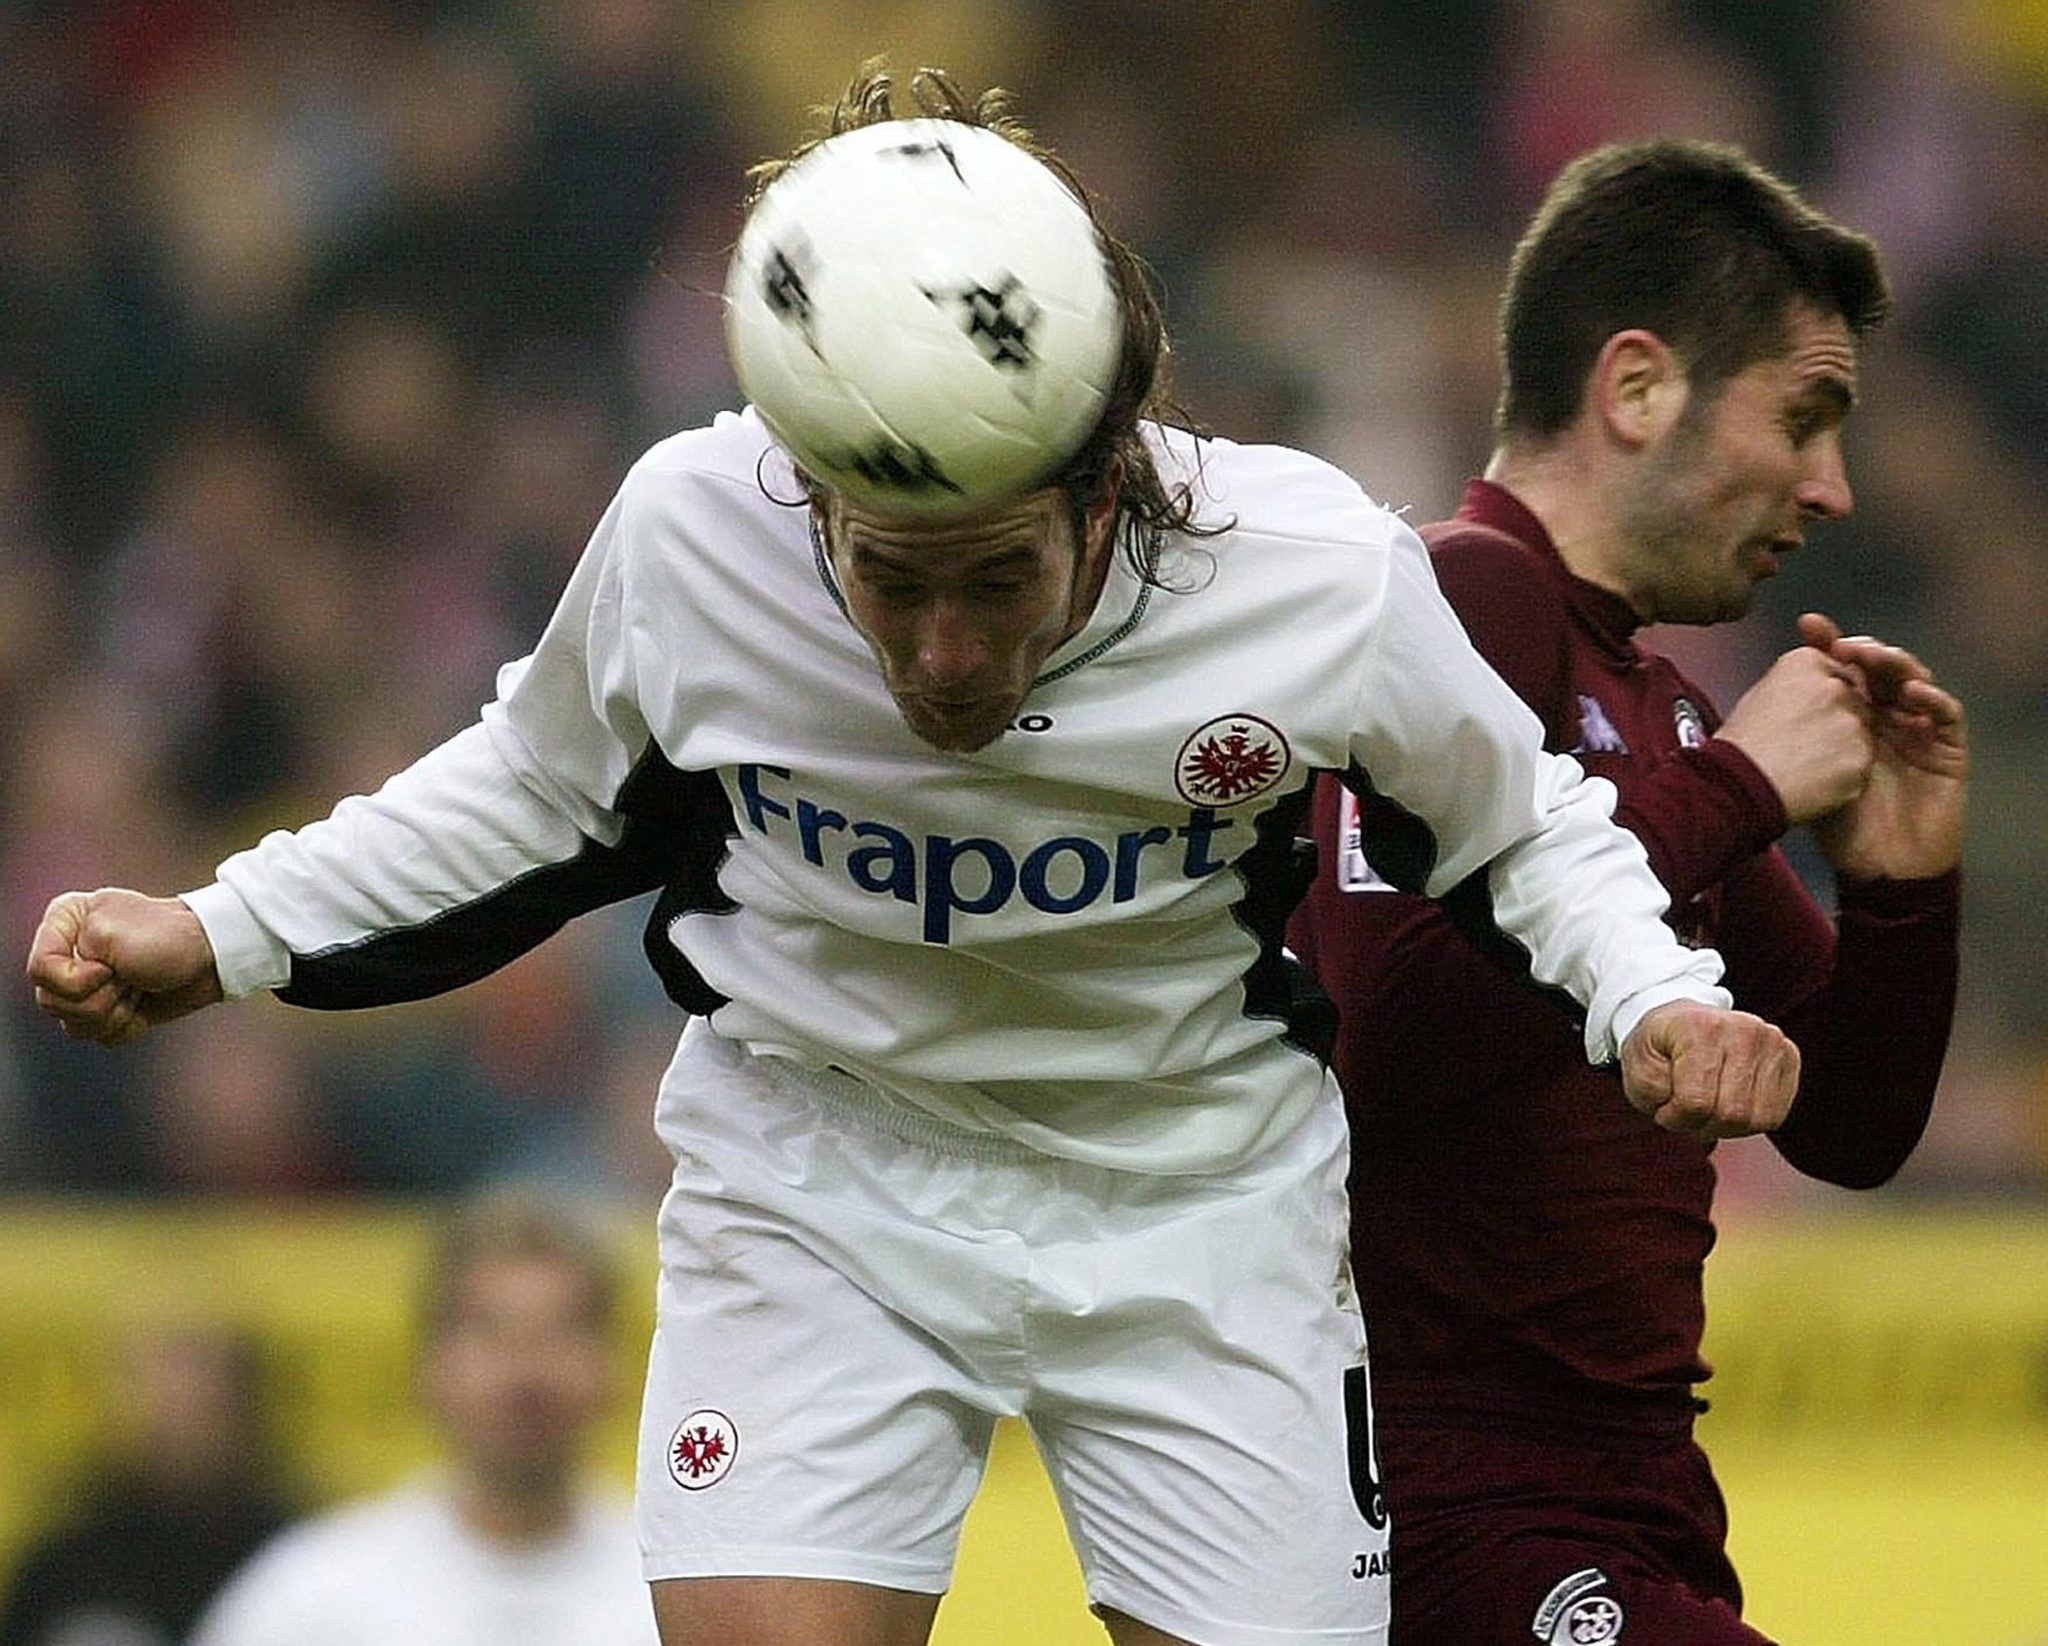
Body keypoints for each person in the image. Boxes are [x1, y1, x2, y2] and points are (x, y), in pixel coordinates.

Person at [28, 69, 1801, 1646]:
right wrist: (220, 926)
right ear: (810, 494)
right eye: (890, 580)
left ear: (1107, 489)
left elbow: (1518, 820)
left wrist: (1649, 992)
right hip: (820, 1178)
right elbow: (526, 791)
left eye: (995, 581)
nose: (942, 660)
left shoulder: (1304, 572)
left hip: (1191, 1195)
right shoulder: (694, 531)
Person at [1288, 138, 1967, 1646]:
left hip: (1635, 1489)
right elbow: (1382, 1029)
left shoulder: (1651, 701)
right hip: (1452, 1500)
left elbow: (1848, 1121)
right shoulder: (1460, 596)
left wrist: (1901, 888)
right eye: (1802, 417)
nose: (1831, 487)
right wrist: (1738, 787)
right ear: (1638, 386)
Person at [188, 1190, 656, 1646]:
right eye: (490, 1332)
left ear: (615, 1366)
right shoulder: (307, 1599)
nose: (525, 1372)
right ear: (429, 1364)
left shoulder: (668, 1597)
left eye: (559, 1331)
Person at [0, 1319, 294, 1646]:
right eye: (161, 1386)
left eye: (201, 1388)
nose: (181, 1404)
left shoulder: (293, 1559)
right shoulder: (66, 1563)